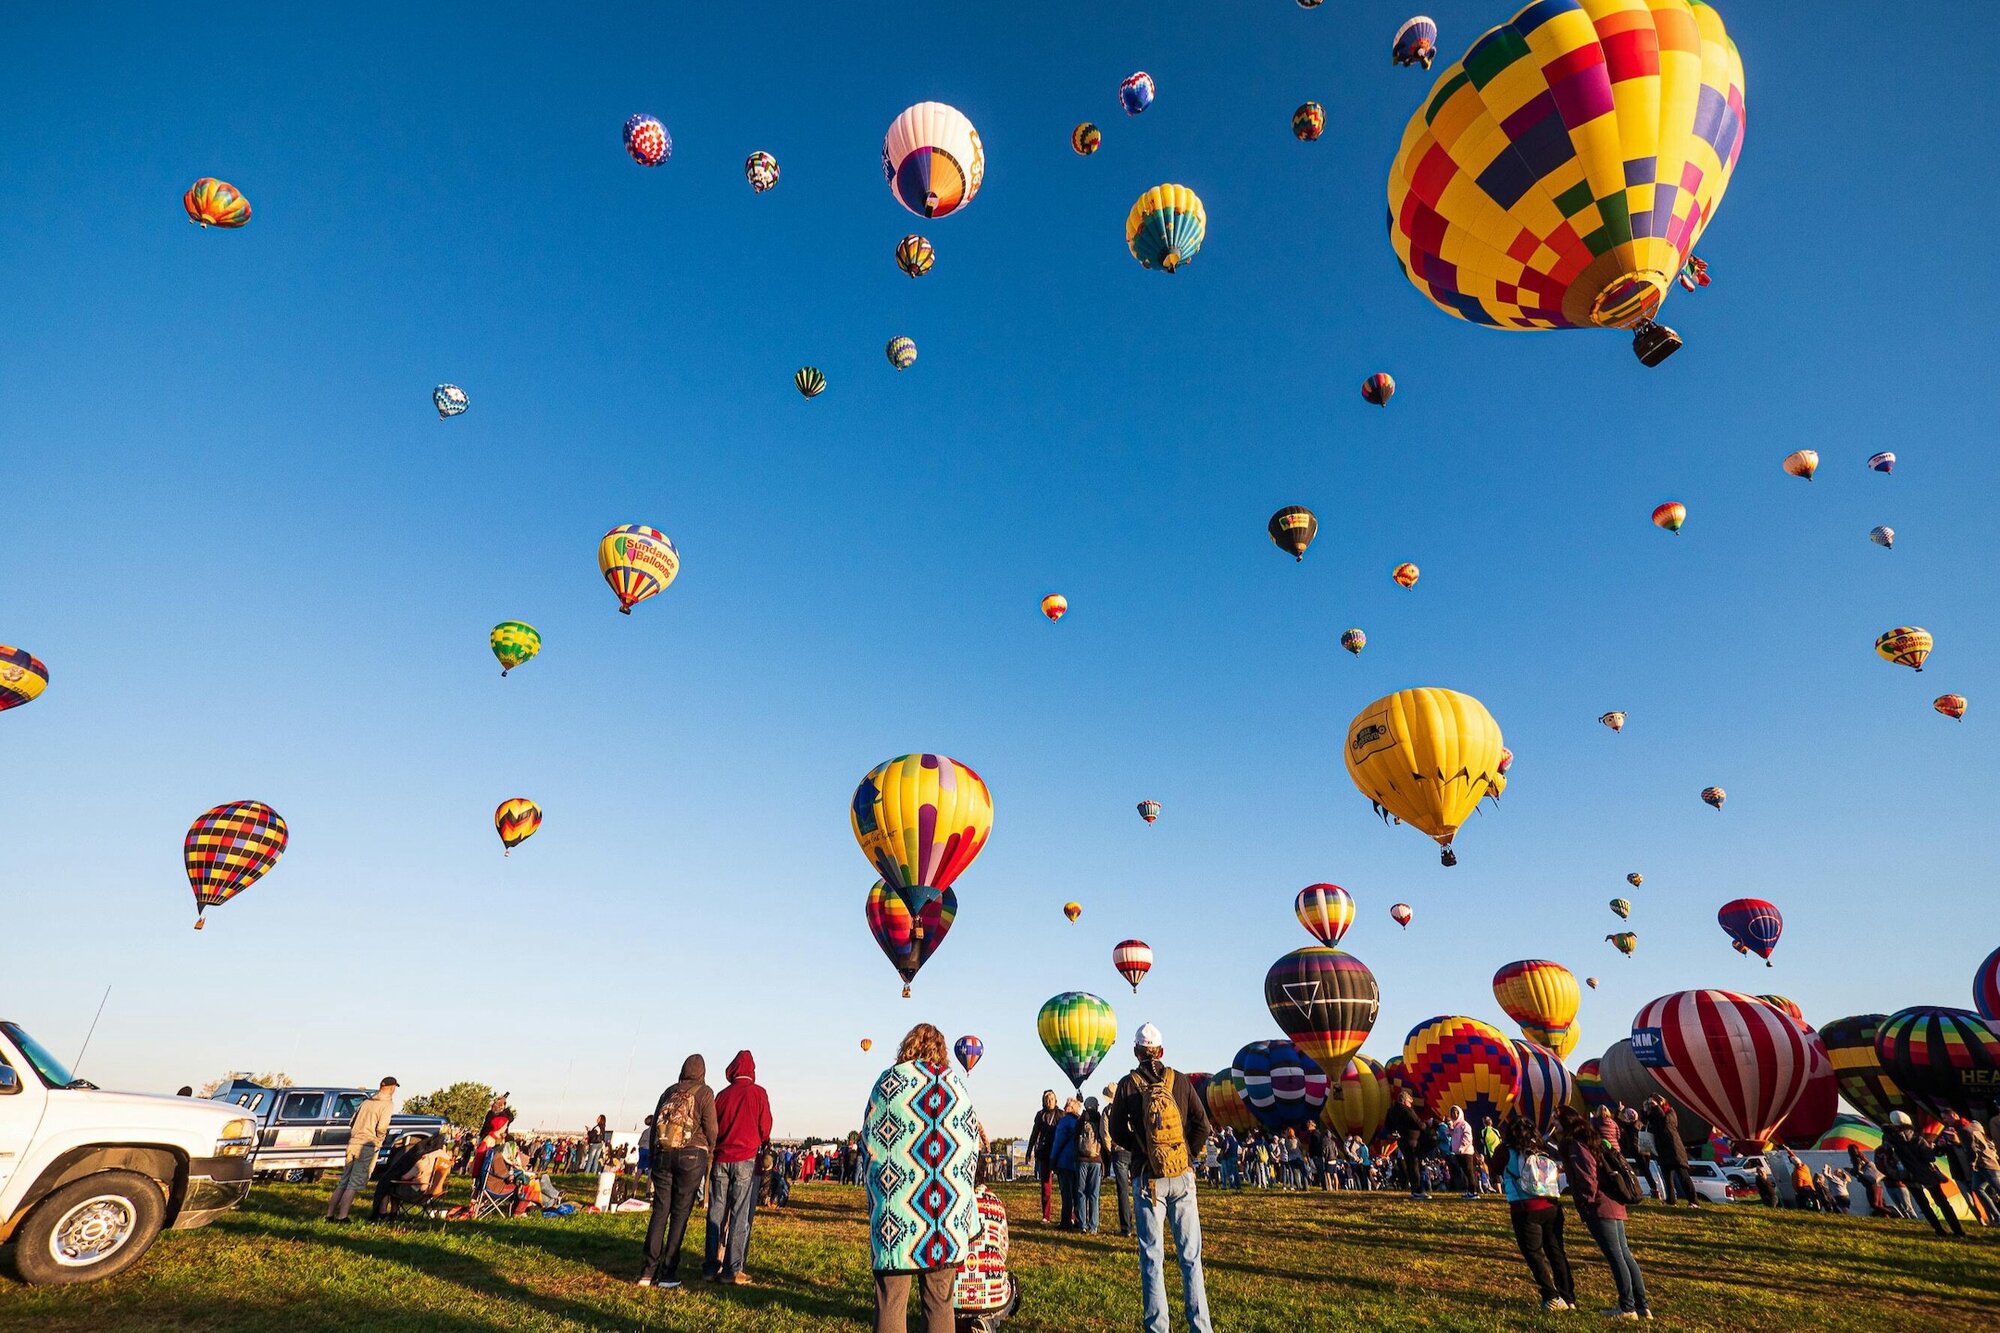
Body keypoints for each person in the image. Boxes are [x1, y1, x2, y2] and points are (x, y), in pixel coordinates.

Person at [863, 1023, 983, 1333]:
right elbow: (971, 1148)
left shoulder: (888, 1082)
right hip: (944, 1219)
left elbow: (870, 1144)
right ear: (942, 1052)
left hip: (896, 1216)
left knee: (890, 1301)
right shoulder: (956, 1086)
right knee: (940, 1302)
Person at [1109, 1023, 1212, 1333]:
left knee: (1152, 1257)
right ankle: (1200, 1326)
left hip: (1147, 1178)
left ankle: (1158, 1328)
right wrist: (1185, 1156)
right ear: (1162, 1051)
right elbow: (1203, 1125)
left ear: (1136, 1052)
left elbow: (1116, 1131)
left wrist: (1142, 1150)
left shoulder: (1128, 1084)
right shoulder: (1180, 1080)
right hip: (1182, 1177)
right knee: (1191, 1257)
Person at [638, 1055, 718, 1289]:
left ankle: (647, 1271)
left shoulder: (669, 1091)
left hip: (663, 1154)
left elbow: (655, 1126)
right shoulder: (705, 1093)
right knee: (680, 1214)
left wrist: (654, 1156)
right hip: (692, 1155)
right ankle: (668, 1272)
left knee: (660, 1210)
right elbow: (712, 1128)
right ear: (702, 1073)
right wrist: (710, 1148)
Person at [1562, 1106, 1650, 1320]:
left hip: (1600, 1206)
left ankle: (1627, 1307)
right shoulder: (1596, 1141)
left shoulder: (1577, 1145)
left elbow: (1587, 1177)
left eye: (1556, 1119)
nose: (1553, 1123)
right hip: (1615, 1202)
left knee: (1616, 1256)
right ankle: (1642, 1305)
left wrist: (1586, 1202)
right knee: (1625, 1254)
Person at [1488, 1112, 1574, 1313]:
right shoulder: (1542, 1147)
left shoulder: (1505, 1150)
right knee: (1556, 1251)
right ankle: (1567, 1296)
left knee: (1534, 1253)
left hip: (1524, 1208)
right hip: (1551, 1205)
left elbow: (1495, 1169)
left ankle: (1550, 1295)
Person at [705, 1050, 773, 1284]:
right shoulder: (758, 1093)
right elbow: (765, 1126)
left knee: (716, 1211)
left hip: (721, 1158)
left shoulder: (723, 1095)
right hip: (745, 1158)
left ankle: (710, 1266)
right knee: (740, 1213)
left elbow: (714, 1126)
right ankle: (732, 1269)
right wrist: (761, 1141)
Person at [955, 1156, 1019, 1332]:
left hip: (949, 1293)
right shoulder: (995, 1202)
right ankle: (986, 1322)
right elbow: (1002, 1251)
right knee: (1013, 1285)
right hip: (992, 1295)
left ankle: (960, 1322)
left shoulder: (949, 1200)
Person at [325, 1076, 398, 1222]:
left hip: (353, 1143)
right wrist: (379, 1139)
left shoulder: (366, 1102)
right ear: (392, 1088)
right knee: (354, 1183)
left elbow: (352, 1121)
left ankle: (329, 1214)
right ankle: (342, 1217)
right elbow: (382, 1127)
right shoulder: (387, 1104)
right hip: (367, 1146)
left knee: (343, 1181)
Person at [1885, 1111, 1965, 1239]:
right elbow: (1930, 1157)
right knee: (1942, 1203)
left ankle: (1939, 1231)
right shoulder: (1917, 1138)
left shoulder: (1889, 1140)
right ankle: (1958, 1231)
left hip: (1908, 1176)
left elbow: (1890, 1158)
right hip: (1926, 1174)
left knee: (1924, 1206)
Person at [1643, 1098, 1698, 1208]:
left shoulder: (1670, 1112)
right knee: (1667, 1179)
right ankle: (1671, 1200)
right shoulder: (1655, 1117)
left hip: (1675, 1150)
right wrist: (1644, 1109)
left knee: (1683, 1177)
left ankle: (1693, 1201)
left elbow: (1666, 1124)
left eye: (1654, 1103)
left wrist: (1657, 1107)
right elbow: (1646, 1122)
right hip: (1663, 1151)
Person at [1384, 1089, 1429, 1200]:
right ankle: (1418, 1191)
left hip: (1402, 1141)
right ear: (1405, 1101)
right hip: (1412, 1140)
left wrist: (1394, 1133)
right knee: (1414, 1165)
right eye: (1409, 1102)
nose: (1410, 1105)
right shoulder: (1406, 1110)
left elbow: (1387, 1125)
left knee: (1410, 1165)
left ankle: (1414, 1190)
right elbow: (1418, 1123)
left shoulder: (1391, 1111)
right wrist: (1427, 1125)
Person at [1026, 1091, 1062, 1224]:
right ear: (1043, 1101)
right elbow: (1034, 1133)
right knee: (1046, 1186)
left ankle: (1070, 1216)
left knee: (1065, 1185)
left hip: (1058, 1153)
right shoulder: (1040, 1115)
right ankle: (1046, 1216)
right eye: (1047, 1098)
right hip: (1045, 1153)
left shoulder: (1061, 1114)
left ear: (1055, 1100)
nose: (1049, 1101)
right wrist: (1029, 1151)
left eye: (1051, 1098)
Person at [1076, 1096, 1106, 1235]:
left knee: (1081, 1192)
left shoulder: (1081, 1120)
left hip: (1082, 1159)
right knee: (1094, 1193)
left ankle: (1082, 1223)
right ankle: (1093, 1226)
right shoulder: (1099, 1119)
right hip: (1096, 1160)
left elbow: (1075, 1137)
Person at [1051, 1097, 1082, 1228]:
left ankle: (1066, 1221)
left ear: (1070, 1108)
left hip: (1064, 1161)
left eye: (1066, 1106)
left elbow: (1058, 1142)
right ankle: (1080, 1220)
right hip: (1078, 1161)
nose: (1063, 1108)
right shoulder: (1080, 1122)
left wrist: (1053, 1159)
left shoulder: (1064, 1122)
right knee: (1077, 1192)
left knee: (1066, 1193)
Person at [1110, 1120, 1137, 1237]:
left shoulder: (1109, 1111)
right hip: (1135, 1150)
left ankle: (1126, 1227)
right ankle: (1144, 1226)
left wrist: (1111, 1149)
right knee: (1141, 1190)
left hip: (1119, 1151)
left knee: (1123, 1191)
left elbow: (1105, 1131)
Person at [1446, 1106, 1477, 1200]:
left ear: (1460, 1113)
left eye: (1456, 1112)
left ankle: (1473, 1192)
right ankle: (1469, 1191)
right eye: (1452, 1112)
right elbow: (1450, 1134)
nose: (1454, 1114)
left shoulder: (1464, 1124)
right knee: (1465, 1172)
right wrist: (1450, 1128)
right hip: (1458, 1153)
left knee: (1469, 1171)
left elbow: (1468, 1138)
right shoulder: (1456, 1126)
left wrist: (1462, 1147)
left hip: (1466, 1152)